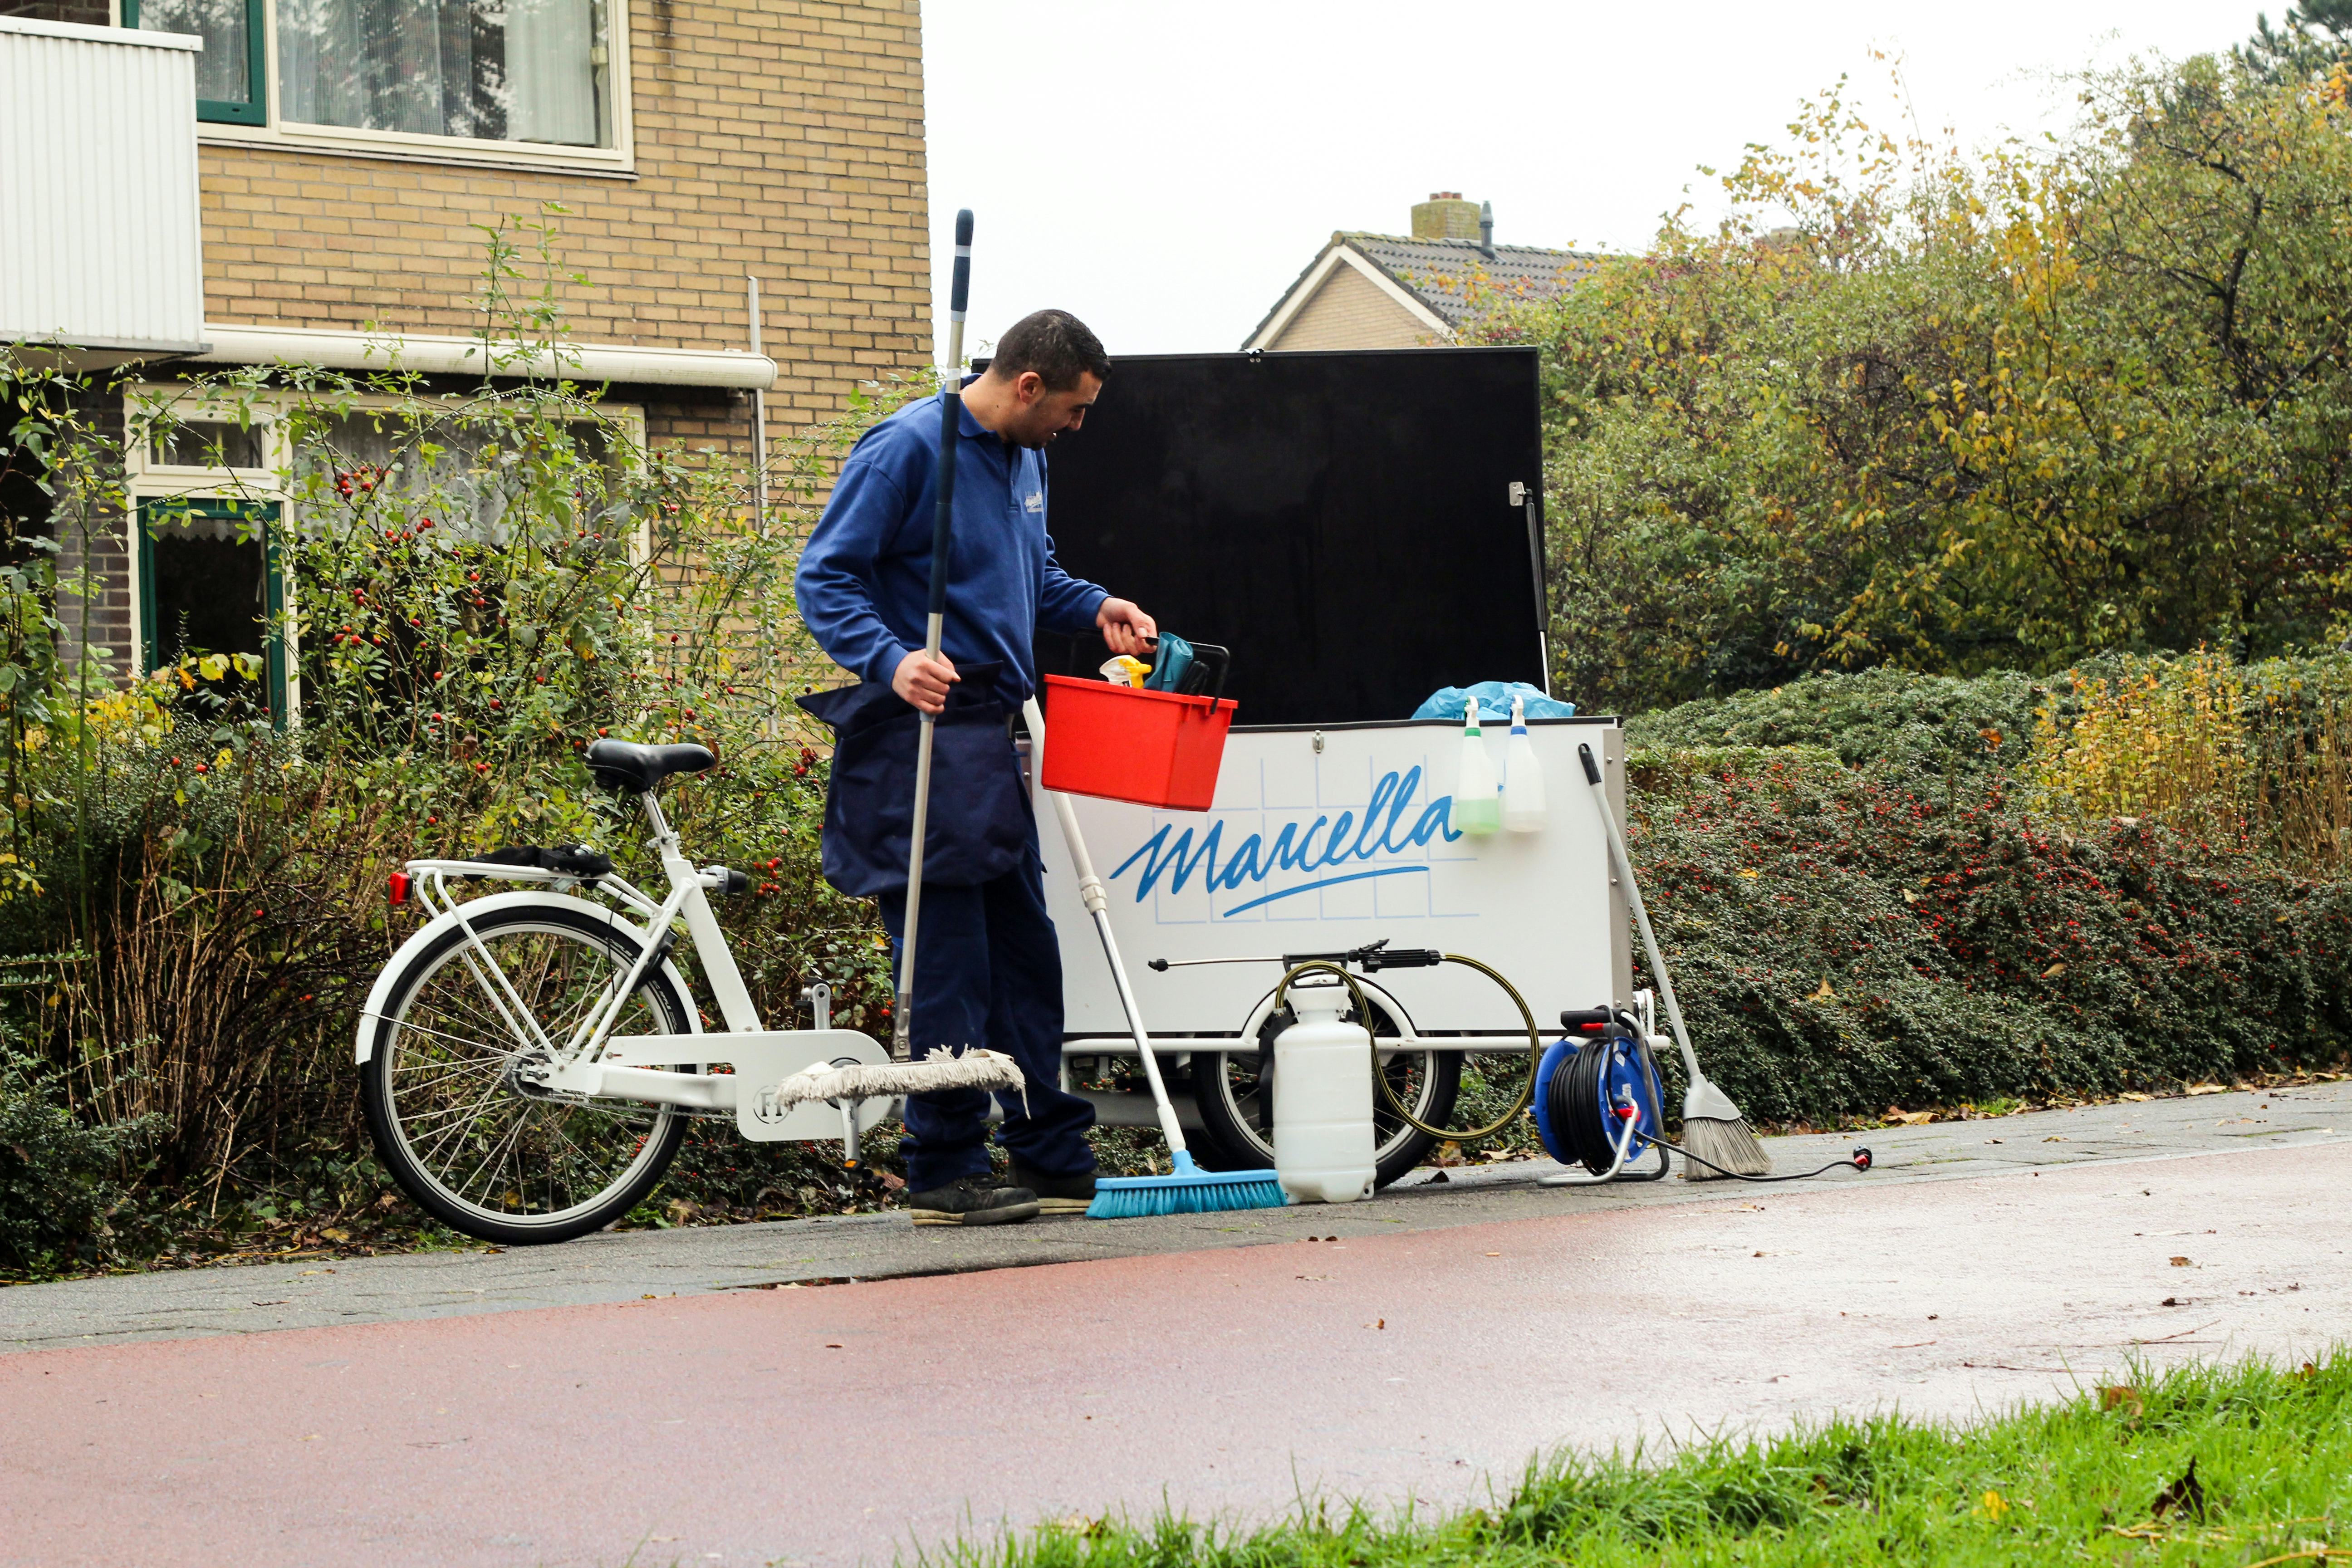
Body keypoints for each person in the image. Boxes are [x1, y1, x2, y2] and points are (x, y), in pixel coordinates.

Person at [793, 309, 1156, 1226]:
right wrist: (890, 657)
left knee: (1025, 956)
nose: (1076, 430)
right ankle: (944, 1167)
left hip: (995, 737)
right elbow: (824, 576)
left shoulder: (1029, 460)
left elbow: (1033, 578)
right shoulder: (909, 449)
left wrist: (1097, 604)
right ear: (1029, 386)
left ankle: (1046, 1150)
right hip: (919, 737)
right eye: (1072, 410)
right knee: (948, 959)